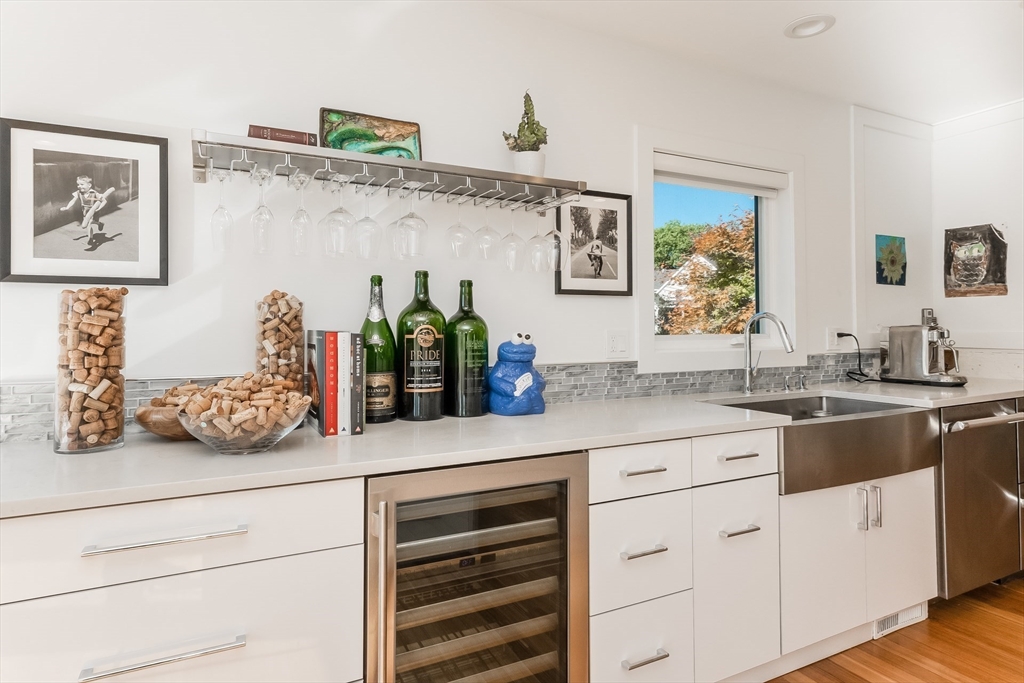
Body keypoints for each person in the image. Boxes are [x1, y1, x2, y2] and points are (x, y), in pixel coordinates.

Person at [59, 175, 114, 246]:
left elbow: (104, 201)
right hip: (85, 211)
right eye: (78, 184)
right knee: (91, 223)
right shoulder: (78, 193)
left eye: (82, 184)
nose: (79, 186)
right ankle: (98, 227)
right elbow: (73, 200)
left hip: (94, 211)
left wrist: (98, 208)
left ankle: (91, 238)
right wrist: (67, 207)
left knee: (89, 223)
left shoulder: (94, 193)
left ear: (89, 185)